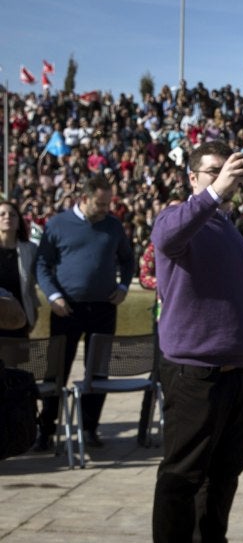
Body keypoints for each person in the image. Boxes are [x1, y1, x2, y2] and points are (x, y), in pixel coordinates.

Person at [150, 141, 243, 542]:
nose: (223, 177)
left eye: (227, 169)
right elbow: (165, 239)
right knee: (182, 476)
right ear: (192, 178)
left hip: (242, 373)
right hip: (197, 374)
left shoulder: (225, 225)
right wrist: (216, 191)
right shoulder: (175, 218)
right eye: (212, 171)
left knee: (224, 474)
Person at [35, 176, 134, 450]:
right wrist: (53, 296)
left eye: (108, 203)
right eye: (100, 204)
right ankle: (46, 430)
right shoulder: (57, 224)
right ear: (85, 198)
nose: (105, 209)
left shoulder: (113, 226)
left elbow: (128, 259)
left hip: (103, 308)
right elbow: (42, 264)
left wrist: (124, 285)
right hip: (67, 308)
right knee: (56, 371)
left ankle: (90, 428)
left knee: (98, 371)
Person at [0, 201, 39, 338]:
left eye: (12, 214)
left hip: (19, 318)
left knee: (17, 359)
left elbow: (36, 282)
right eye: (2, 214)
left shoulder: (30, 250)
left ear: (19, 221)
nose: (7, 217)